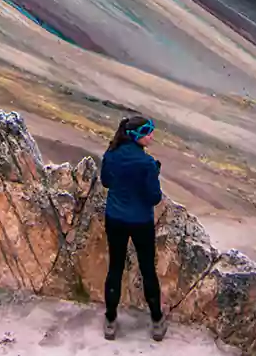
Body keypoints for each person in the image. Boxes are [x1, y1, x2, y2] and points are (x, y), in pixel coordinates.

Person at [100, 114, 166, 341]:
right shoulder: (146, 163)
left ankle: (110, 320)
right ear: (137, 136)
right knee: (148, 269)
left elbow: (106, 182)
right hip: (140, 222)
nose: (151, 136)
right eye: (148, 133)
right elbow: (154, 197)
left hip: (115, 218)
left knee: (115, 268)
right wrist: (153, 174)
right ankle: (157, 321)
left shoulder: (111, 155)